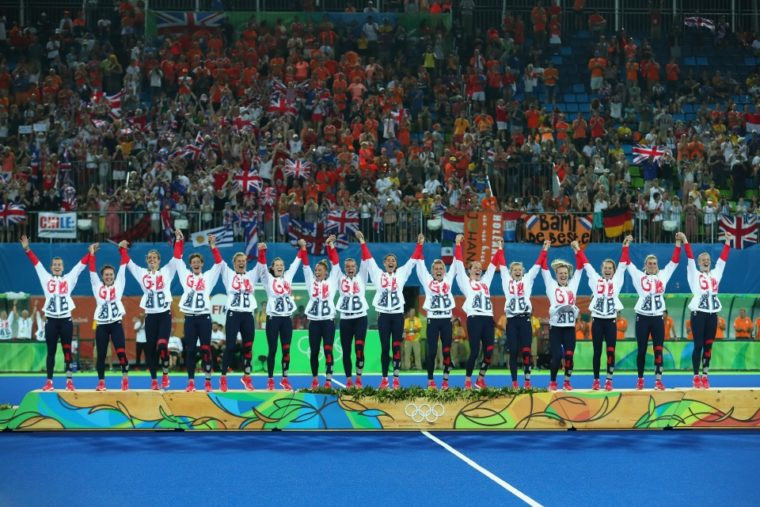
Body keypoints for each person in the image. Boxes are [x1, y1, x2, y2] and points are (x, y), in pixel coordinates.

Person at [20, 235, 89, 390]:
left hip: (66, 321)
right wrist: (27, 249)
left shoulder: (69, 279)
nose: (57, 266)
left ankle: (69, 381)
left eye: (59, 264)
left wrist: (90, 254)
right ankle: (49, 382)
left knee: (67, 352)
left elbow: (80, 266)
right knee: (50, 352)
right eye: (55, 265)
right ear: (51, 268)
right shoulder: (46, 278)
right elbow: (36, 264)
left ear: (63, 267)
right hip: (51, 321)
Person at [357, 230, 422, 389]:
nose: (391, 262)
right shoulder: (377, 274)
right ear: (384, 264)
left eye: (393, 260)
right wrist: (362, 242)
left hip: (398, 316)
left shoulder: (401, 273)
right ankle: (385, 378)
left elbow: (413, 260)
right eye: (388, 260)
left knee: (396, 346)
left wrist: (419, 245)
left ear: (396, 264)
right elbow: (369, 258)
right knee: (385, 347)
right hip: (384, 316)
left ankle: (396, 378)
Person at [626, 233, 683, 390]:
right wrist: (626, 246)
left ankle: (658, 380)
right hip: (642, 318)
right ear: (645, 265)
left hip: (658, 318)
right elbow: (627, 263)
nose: (652, 265)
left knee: (658, 348)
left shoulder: (663, 275)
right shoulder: (638, 276)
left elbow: (675, 262)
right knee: (642, 350)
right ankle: (640, 379)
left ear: (658, 265)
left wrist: (678, 243)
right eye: (649, 263)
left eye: (654, 263)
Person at [123, 234, 180, 390]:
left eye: (155, 257)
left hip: (164, 315)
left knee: (162, 345)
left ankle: (166, 373)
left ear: (159, 261)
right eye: (149, 257)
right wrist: (122, 248)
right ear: (147, 261)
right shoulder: (142, 273)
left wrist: (180, 241)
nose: (152, 259)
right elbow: (128, 262)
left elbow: (176, 257)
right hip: (150, 317)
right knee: (150, 351)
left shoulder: (167, 271)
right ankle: (154, 380)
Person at [577, 237, 631, 390]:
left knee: (611, 351)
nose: (607, 270)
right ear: (601, 270)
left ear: (613, 271)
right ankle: (596, 380)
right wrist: (578, 250)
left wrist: (625, 246)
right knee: (597, 351)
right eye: (605, 268)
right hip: (597, 322)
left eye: (610, 268)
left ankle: (608, 380)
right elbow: (587, 265)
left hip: (611, 322)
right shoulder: (595, 280)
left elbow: (622, 265)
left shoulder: (617, 281)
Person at [172, 231, 224, 392]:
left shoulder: (208, 277)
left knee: (206, 349)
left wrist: (213, 247)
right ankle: (191, 382)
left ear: (202, 264)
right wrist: (179, 240)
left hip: (204, 318)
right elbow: (177, 259)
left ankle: (208, 381)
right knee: (191, 350)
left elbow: (219, 263)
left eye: (198, 262)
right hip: (190, 318)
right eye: (193, 262)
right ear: (190, 264)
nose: (195, 264)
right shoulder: (185, 275)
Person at [683, 232, 732, 389]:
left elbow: (723, 260)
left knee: (709, 345)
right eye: (702, 260)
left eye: (707, 260)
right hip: (698, 314)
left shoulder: (716, 274)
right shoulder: (694, 274)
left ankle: (705, 375)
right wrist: (685, 240)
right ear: (698, 263)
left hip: (712, 315)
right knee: (698, 345)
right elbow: (689, 258)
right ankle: (695, 376)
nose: (705, 262)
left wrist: (728, 242)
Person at [453, 234, 501, 389]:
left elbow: (493, 266)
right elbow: (459, 264)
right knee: (475, 351)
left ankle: (480, 378)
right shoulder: (465, 281)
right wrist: (458, 245)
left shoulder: (485, 281)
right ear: (469, 270)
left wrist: (500, 249)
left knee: (489, 351)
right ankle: (467, 381)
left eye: (480, 268)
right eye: (475, 267)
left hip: (488, 319)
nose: (478, 269)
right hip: (474, 319)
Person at [258, 240, 305, 391]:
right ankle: (270, 379)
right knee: (272, 350)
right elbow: (263, 267)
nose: (279, 267)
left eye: (281, 265)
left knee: (286, 350)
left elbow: (297, 262)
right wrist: (262, 252)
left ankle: (285, 378)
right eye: (277, 265)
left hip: (286, 319)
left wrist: (302, 248)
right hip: (273, 319)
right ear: (273, 268)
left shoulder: (288, 278)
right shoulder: (268, 279)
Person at [499, 242, 547, 388]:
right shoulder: (506, 279)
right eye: (514, 270)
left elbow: (538, 265)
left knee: (526, 350)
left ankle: (527, 380)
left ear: (523, 271)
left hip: (525, 319)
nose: (517, 271)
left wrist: (544, 249)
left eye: (520, 269)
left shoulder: (527, 279)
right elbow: (501, 264)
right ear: (510, 272)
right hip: (512, 320)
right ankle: (514, 382)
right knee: (513, 351)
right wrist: (500, 248)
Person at [415, 233, 457, 389]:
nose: (439, 270)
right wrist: (420, 245)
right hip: (432, 320)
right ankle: (430, 380)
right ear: (432, 271)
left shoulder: (448, 279)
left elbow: (456, 264)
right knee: (431, 351)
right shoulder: (427, 281)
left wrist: (457, 245)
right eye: (436, 268)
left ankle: (445, 381)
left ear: (444, 271)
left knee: (446, 351)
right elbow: (420, 264)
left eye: (441, 268)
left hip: (446, 320)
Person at [218, 249, 263, 392]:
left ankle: (247, 377)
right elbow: (219, 261)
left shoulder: (251, 275)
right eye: (239, 261)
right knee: (230, 346)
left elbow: (261, 265)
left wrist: (261, 251)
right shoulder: (228, 274)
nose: (241, 263)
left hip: (248, 315)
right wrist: (213, 246)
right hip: (233, 315)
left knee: (248, 347)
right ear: (234, 263)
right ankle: (223, 378)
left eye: (243, 261)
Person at [543, 240, 585, 391]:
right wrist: (545, 250)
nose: (563, 275)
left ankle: (567, 381)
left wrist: (577, 250)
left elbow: (580, 267)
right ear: (556, 274)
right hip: (555, 329)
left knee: (569, 356)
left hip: (569, 328)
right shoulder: (551, 285)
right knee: (555, 357)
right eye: (560, 273)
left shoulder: (573, 285)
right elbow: (543, 267)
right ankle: (553, 382)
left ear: (568, 274)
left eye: (565, 273)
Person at [89, 242, 130, 391]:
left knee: (120, 352)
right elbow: (92, 270)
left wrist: (123, 250)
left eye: (111, 274)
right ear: (102, 276)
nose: (109, 276)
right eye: (106, 275)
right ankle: (101, 382)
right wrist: (92, 254)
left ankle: (125, 378)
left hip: (116, 323)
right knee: (101, 355)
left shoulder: (119, 284)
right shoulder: (96, 285)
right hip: (102, 325)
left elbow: (124, 266)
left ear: (114, 276)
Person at [302, 235, 341, 389]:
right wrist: (303, 249)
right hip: (314, 323)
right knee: (314, 352)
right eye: (316, 270)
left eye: (320, 270)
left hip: (328, 322)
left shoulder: (332, 282)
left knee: (328, 350)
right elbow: (305, 266)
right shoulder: (310, 282)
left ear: (326, 272)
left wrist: (330, 246)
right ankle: (315, 378)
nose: (317, 272)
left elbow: (336, 265)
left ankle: (329, 380)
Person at [334, 244, 370, 388]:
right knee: (346, 350)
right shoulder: (340, 279)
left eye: (352, 266)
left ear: (356, 267)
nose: (350, 268)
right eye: (347, 266)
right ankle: (349, 379)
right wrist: (331, 246)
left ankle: (359, 377)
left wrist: (362, 243)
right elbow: (334, 263)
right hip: (345, 319)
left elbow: (365, 260)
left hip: (360, 317)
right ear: (344, 268)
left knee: (359, 349)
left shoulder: (362, 277)